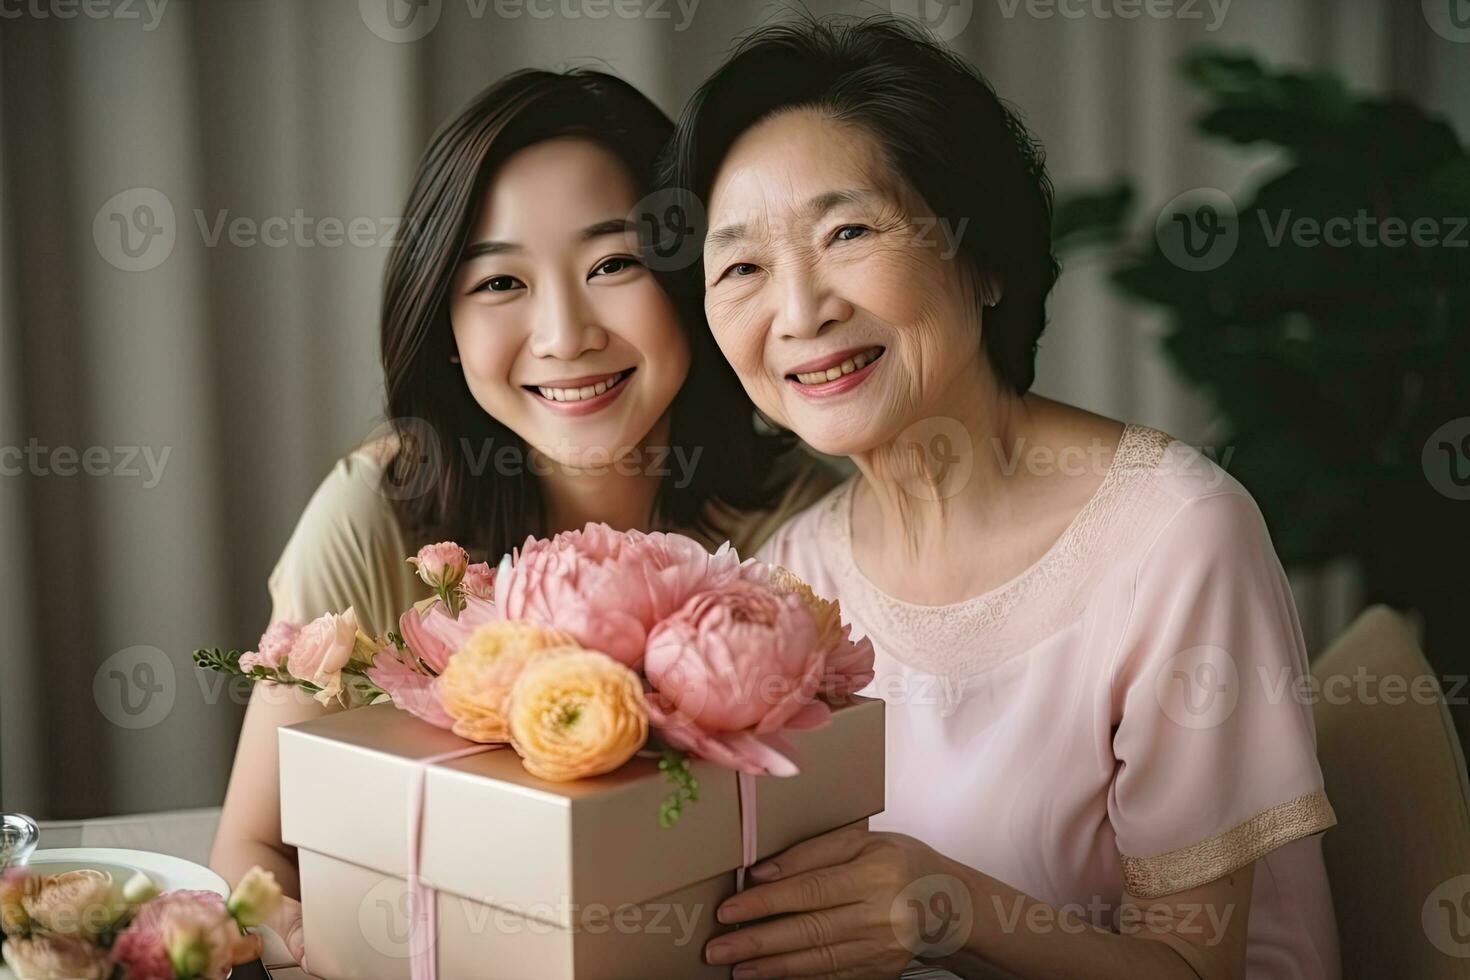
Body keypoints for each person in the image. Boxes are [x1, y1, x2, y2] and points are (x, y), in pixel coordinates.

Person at [667, 17, 1339, 979]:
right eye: (741, 269)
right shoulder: (791, 580)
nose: (799, 310)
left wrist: (948, 906)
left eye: (848, 231)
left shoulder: (1176, 538)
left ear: (981, 258)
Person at [208, 68, 834, 965]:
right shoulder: (379, 510)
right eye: (501, 283)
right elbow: (252, 853)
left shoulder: (801, 518)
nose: (564, 333)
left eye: (613, 265)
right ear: (447, 332)